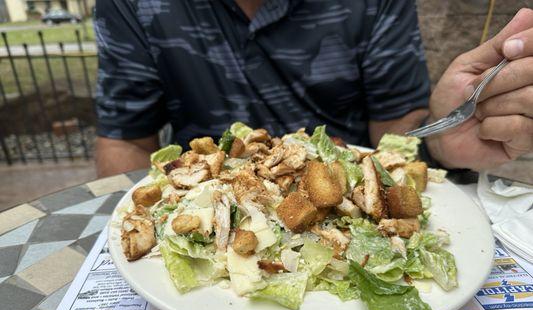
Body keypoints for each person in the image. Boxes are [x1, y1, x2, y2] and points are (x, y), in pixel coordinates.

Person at [94, 1, 533, 177]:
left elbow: (394, 130)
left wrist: (440, 139)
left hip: (349, 203)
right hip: (205, 200)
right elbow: (125, 137)